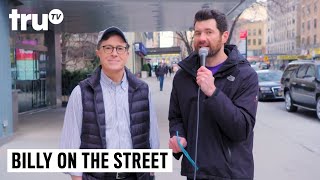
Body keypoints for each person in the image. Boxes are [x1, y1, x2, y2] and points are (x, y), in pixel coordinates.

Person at [168, 9, 258, 180]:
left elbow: (242, 129)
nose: (202, 38)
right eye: (198, 33)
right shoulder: (183, 76)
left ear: (224, 36)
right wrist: (178, 136)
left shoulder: (245, 75)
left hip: (231, 174)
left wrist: (213, 92)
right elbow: (176, 117)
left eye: (209, 32)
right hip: (195, 172)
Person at [60, 26, 159, 180]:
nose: (114, 53)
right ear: (98, 52)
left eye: (120, 48)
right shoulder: (81, 93)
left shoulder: (143, 90)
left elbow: (152, 137)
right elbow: (70, 145)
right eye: (108, 48)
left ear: (127, 53)